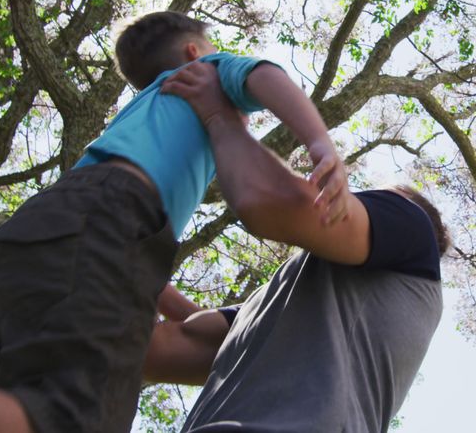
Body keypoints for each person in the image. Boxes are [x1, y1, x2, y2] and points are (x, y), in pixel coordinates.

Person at [0, 11, 348, 433]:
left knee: (23, 410)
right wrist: (320, 143)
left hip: (47, 232)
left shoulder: (138, 121)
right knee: (67, 417)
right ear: (194, 53)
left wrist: (211, 328)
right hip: (101, 215)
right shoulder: (199, 75)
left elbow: (128, 273)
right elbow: (265, 74)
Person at [142, 61, 449, 432]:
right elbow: (167, 346)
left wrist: (217, 116)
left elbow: (268, 203)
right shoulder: (281, 302)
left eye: (372, 200)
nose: (354, 199)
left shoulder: (411, 227)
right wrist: (131, 258)